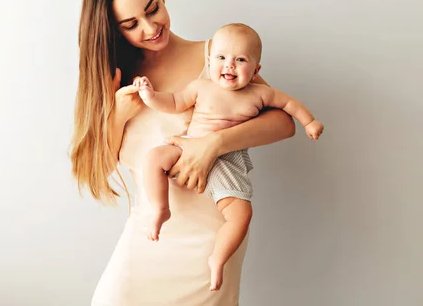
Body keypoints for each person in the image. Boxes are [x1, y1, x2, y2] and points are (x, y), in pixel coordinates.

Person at [69, 0, 296, 305]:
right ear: (115, 30)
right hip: (148, 236)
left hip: (211, 241)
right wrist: (116, 117)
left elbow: (283, 123)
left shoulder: (217, 58)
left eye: (152, 9)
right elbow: (95, 171)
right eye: (131, 24)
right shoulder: (116, 80)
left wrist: (213, 144)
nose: (149, 27)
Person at [133, 22, 324, 291]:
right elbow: (174, 103)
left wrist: (310, 121)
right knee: (153, 159)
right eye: (222, 58)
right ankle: (161, 208)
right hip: (189, 147)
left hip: (227, 162)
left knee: (241, 214)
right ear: (209, 60)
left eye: (240, 60)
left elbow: (289, 105)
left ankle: (218, 259)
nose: (229, 65)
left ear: (256, 70)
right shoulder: (201, 86)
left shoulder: (260, 93)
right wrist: (149, 95)